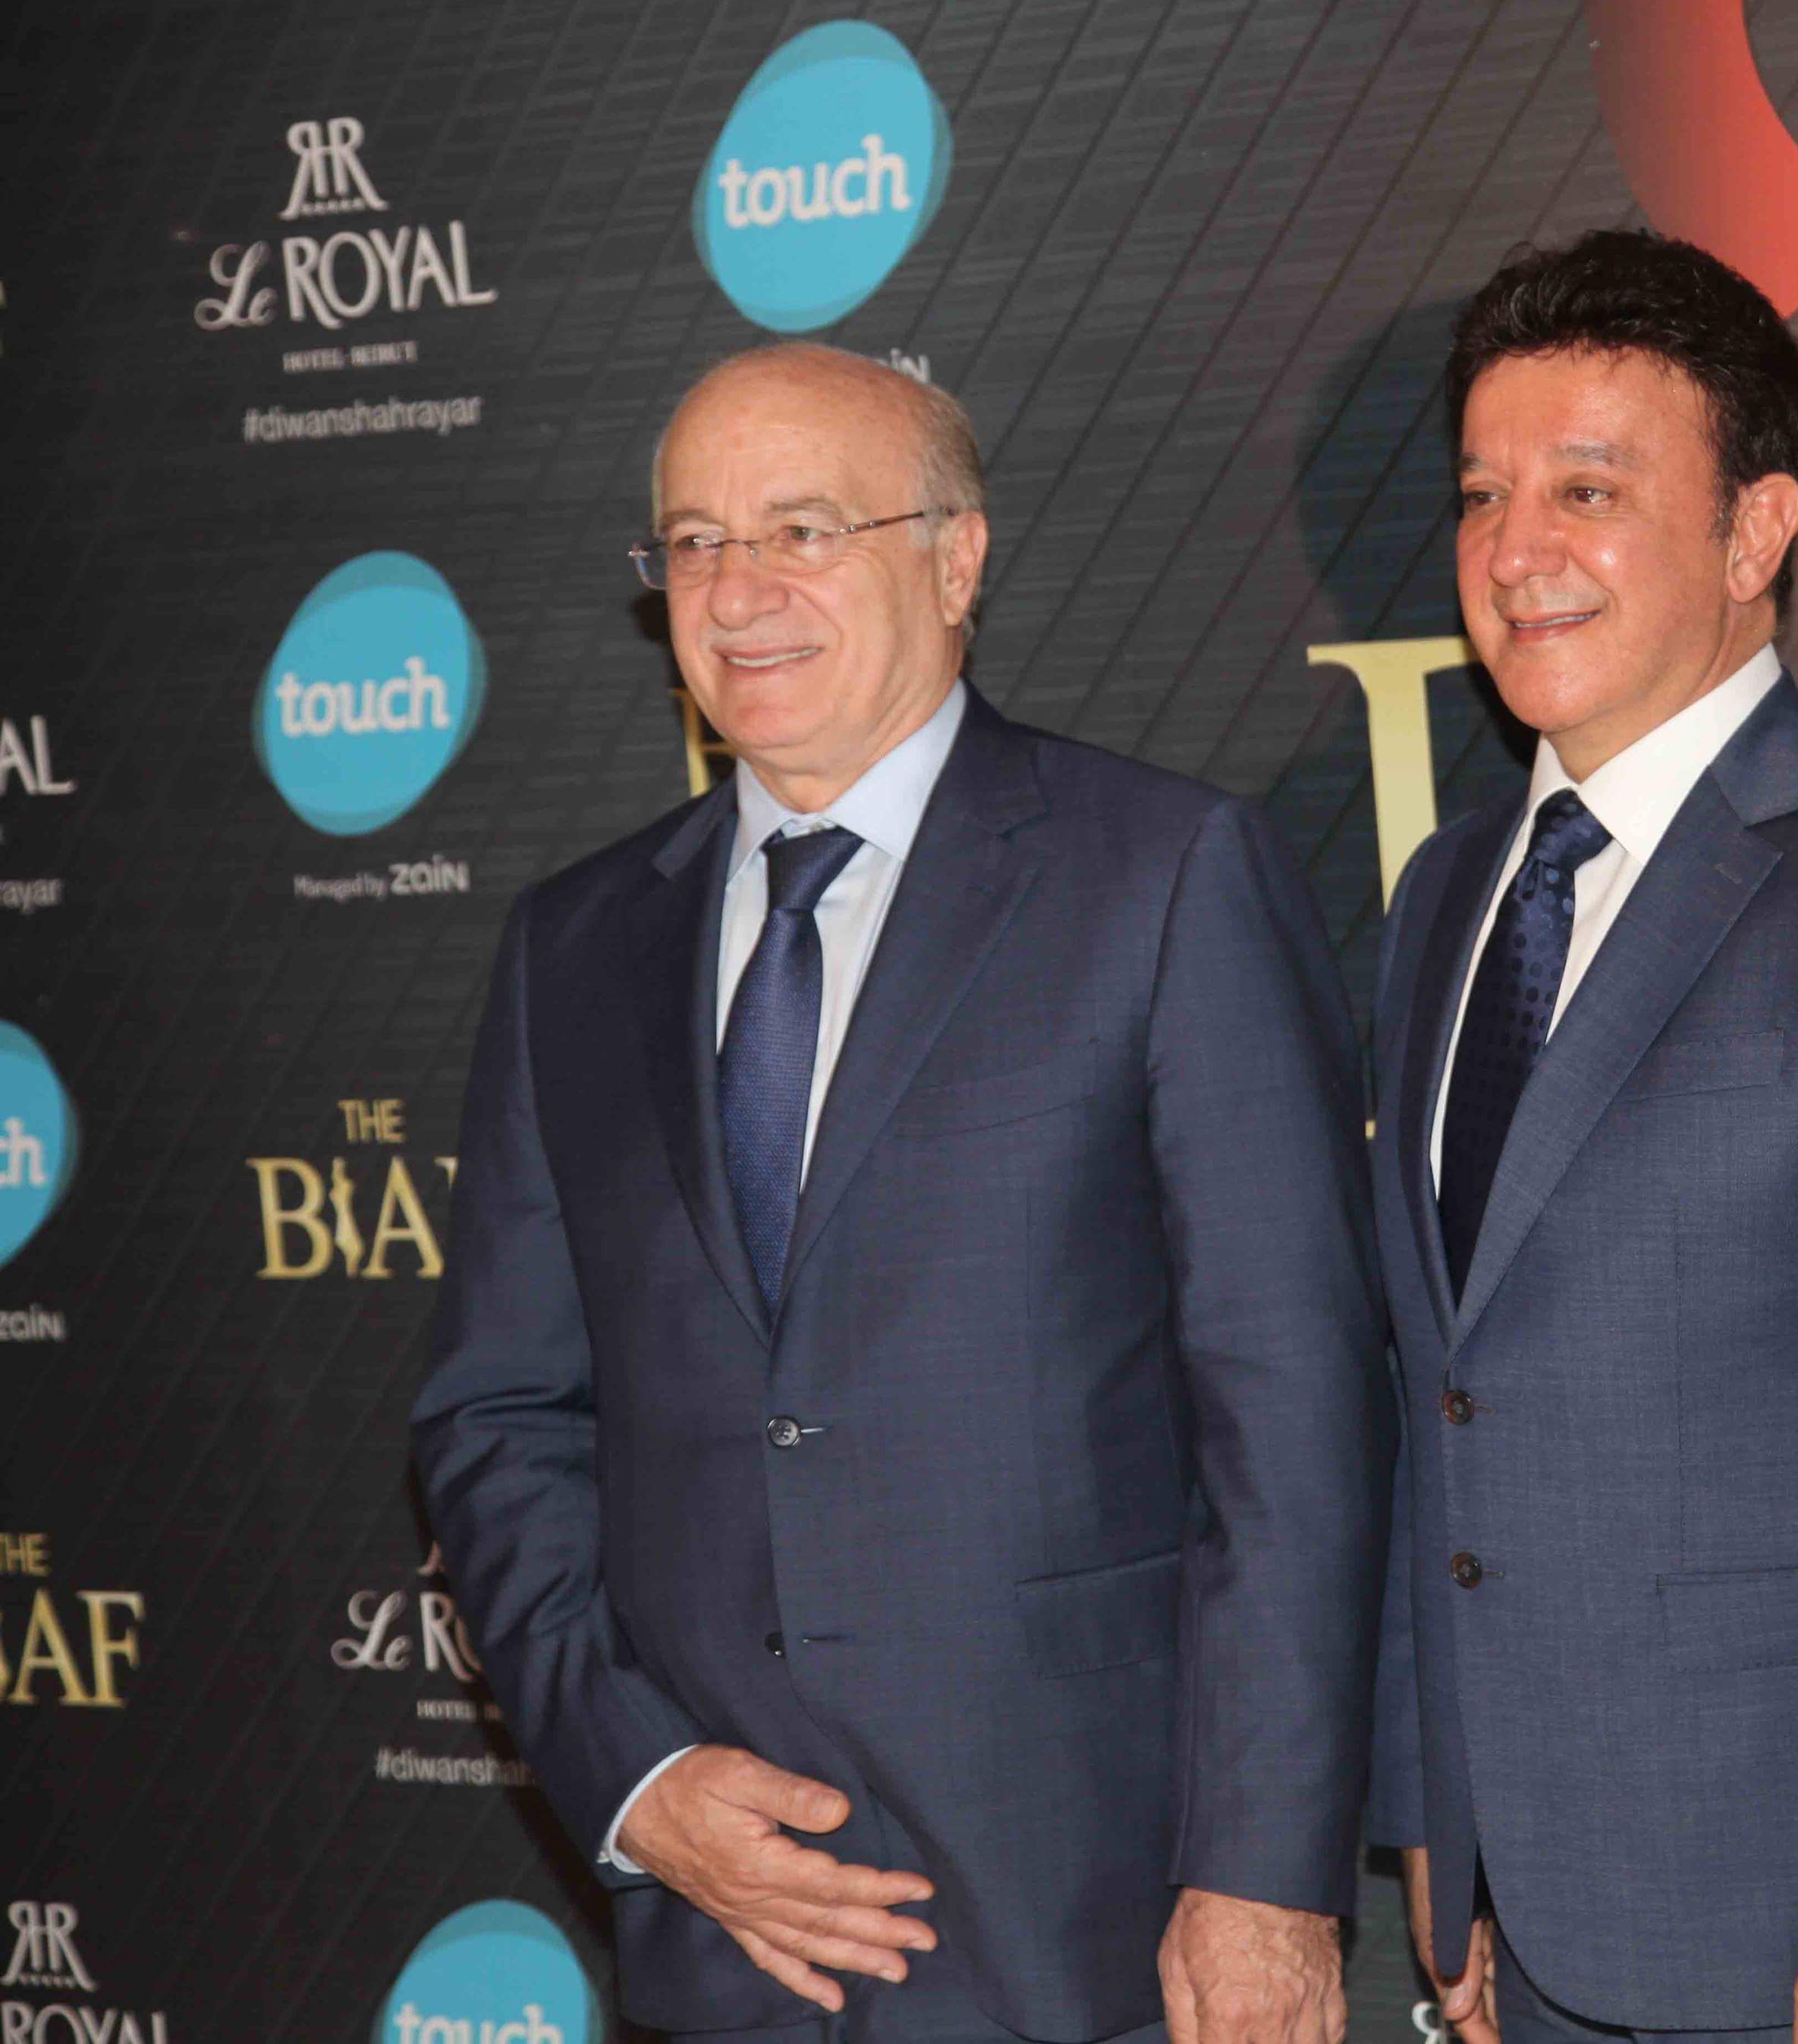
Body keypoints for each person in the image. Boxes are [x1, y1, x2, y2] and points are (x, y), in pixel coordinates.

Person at [413, 342, 1393, 2044]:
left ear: (955, 559)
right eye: (695, 543)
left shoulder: (1162, 877)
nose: (739, 592)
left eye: (804, 529)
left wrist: (1264, 1877)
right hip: (727, 1940)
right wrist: (635, 1782)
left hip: (1096, 1936)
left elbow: (1292, 1410)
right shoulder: (573, 944)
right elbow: (498, 1414)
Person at [1363, 228, 1798, 2044]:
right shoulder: (1444, 894)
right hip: (1519, 1920)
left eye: (1587, 490)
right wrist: (1448, 1825)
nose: (1512, 551)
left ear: (1755, 533)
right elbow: (1438, 1397)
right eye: (1481, 495)